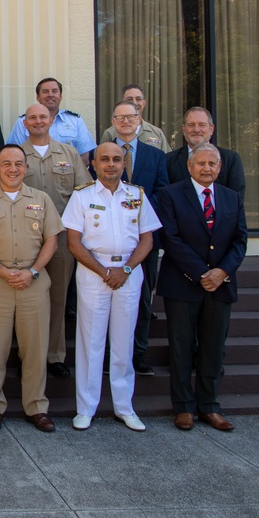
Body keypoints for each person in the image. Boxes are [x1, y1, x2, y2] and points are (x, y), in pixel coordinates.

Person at [63, 142, 162, 432]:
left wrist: (126, 269)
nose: (110, 164)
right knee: (91, 343)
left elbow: (147, 240)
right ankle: (86, 408)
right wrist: (106, 271)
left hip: (129, 274)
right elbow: (73, 243)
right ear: (93, 164)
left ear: (124, 163)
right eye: (104, 159)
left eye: (116, 159)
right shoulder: (82, 196)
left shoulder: (137, 195)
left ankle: (124, 407)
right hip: (95, 273)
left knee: (123, 343)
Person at [0, 144, 62, 433]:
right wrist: (3, 271)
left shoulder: (42, 199)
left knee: (34, 349)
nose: (13, 169)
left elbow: (52, 241)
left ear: (26, 167)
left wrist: (32, 271)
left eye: (18, 163)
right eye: (6, 163)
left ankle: (37, 406)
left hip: (33, 282)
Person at [156, 143, 248, 431]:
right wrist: (201, 273)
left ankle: (209, 406)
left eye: (212, 164)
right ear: (190, 166)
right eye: (201, 163)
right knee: (182, 348)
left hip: (220, 285)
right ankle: (183, 408)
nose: (206, 168)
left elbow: (240, 240)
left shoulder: (231, 197)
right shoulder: (170, 195)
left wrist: (221, 272)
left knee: (213, 348)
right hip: (183, 284)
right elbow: (170, 238)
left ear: (220, 168)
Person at [21, 103, 89, 378]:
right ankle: (26, 353)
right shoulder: (15, 155)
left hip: (60, 238)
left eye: (42, 117)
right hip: (23, 238)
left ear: (51, 121)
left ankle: (54, 355)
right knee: (25, 298)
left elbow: (83, 194)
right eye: (32, 118)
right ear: (24, 123)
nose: (38, 121)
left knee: (58, 297)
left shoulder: (69, 153)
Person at [106, 99, 169, 377]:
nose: (126, 122)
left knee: (143, 298)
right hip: (108, 236)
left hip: (143, 237)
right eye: (121, 118)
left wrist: (136, 203)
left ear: (139, 119)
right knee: (108, 298)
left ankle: (138, 352)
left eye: (131, 117)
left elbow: (163, 193)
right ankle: (111, 354)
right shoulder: (104, 153)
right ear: (113, 121)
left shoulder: (155, 156)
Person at [7, 78, 97, 166]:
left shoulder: (75, 121)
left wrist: (64, 171)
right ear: (38, 97)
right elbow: (13, 154)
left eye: (54, 91)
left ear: (60, 96)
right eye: (45, 91)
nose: (50, 95)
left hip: (67, 177)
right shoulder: (23, 122)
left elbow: (86, 155)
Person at [165, 107, 246, 198]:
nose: (196, 129)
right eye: (191, 125)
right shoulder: (168, 160)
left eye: (202, 125)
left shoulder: (230, 159)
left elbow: (236, 199)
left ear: (211, 129)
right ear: (184, 129)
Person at [99, 84, 171, 152]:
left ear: (144, 102)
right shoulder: (110, 133)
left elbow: (166, 160)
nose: (134, 103)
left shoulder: (157, 133)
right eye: (129, 99)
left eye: (138, 99)